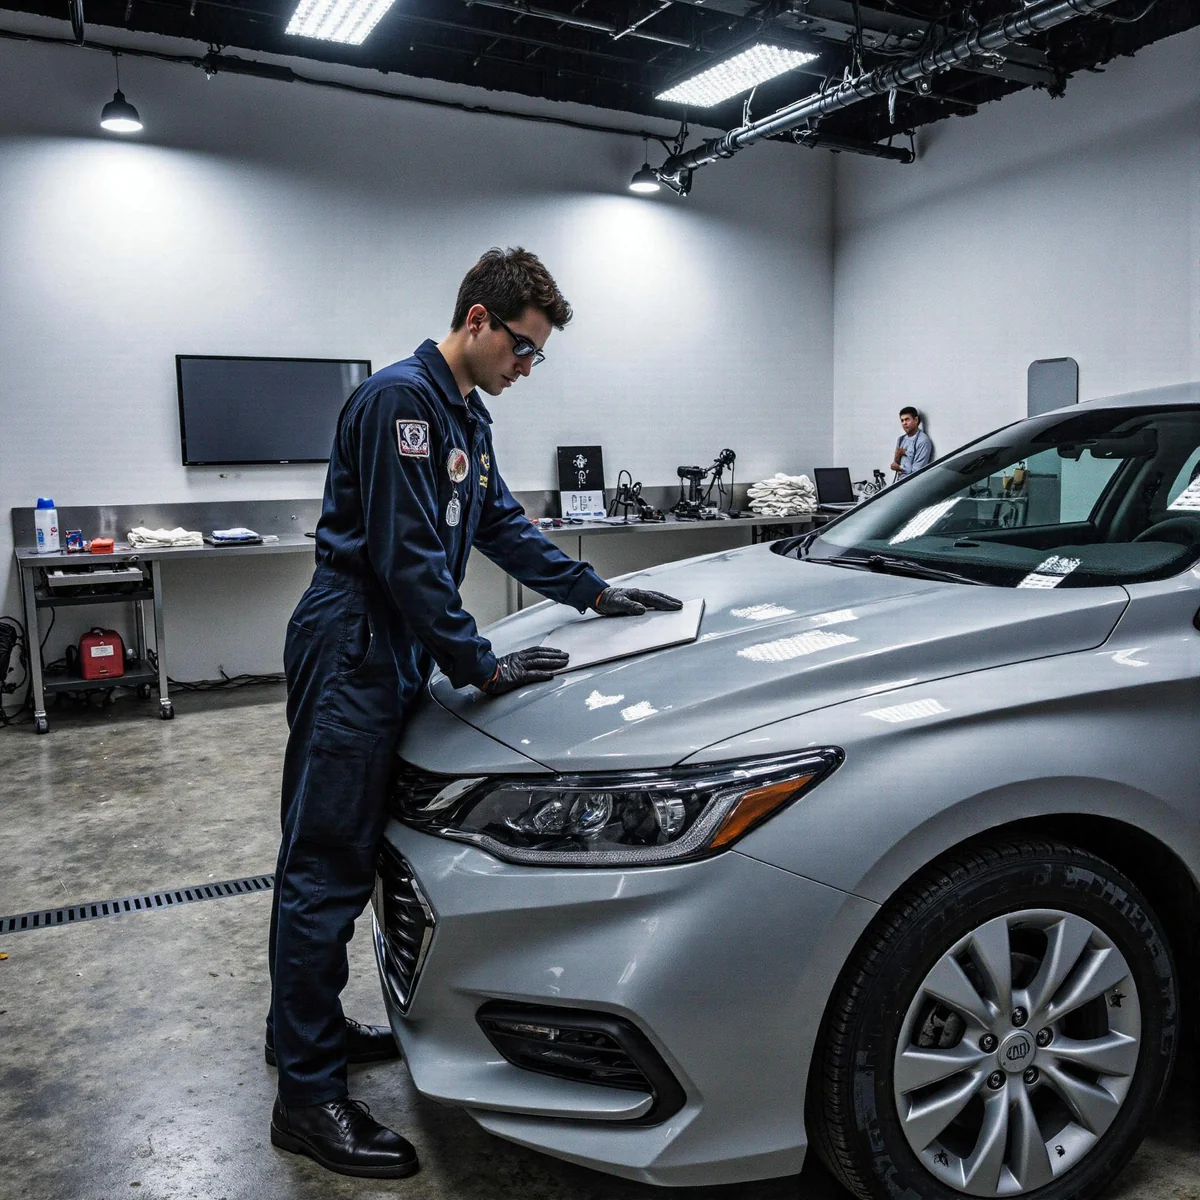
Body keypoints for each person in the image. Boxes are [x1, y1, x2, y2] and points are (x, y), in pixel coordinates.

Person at [265, 247, 681, 1181]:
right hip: (355, 640)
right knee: (326, 863)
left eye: (536, 355)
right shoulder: (396, 404)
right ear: (480, 320)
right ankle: (306, 1097)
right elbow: (409, 557)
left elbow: (495, 523)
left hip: (396, 645)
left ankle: (304, 1034)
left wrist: (591, 592)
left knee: (362, 849)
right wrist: (479, 663)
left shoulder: (464, 417)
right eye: (523, 349)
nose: (526, 368)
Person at [891, 406, 933, 479]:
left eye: (907, 420)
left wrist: (900, 467)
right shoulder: (901, 439)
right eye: (902, 420)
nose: (904, 423)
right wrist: (897, 457)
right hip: (900, 482)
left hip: (913, 485)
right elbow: (895, 464)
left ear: (916, 420)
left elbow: (917, 471)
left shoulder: (923, 441)